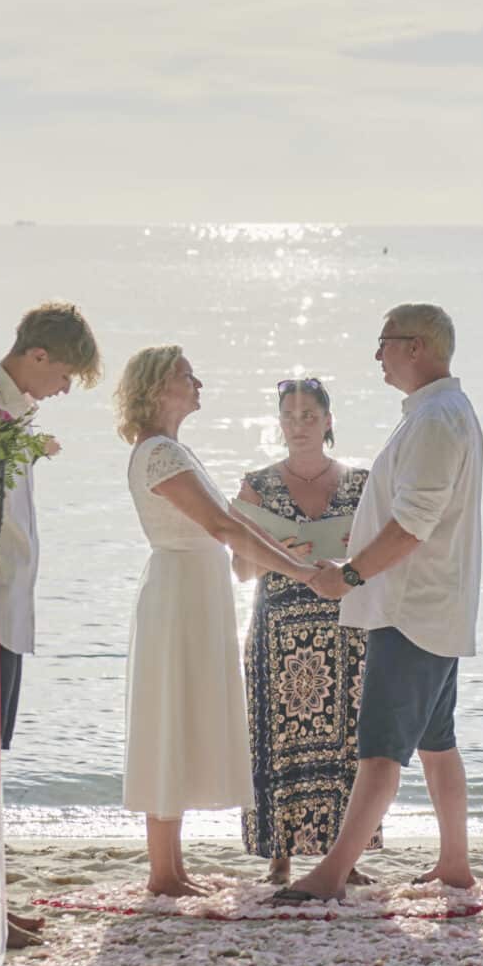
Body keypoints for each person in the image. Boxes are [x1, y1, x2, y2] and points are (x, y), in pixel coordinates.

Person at [280, 304, 483, 903]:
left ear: (416, 347)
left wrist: (350, 574)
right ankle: (455, 863)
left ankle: (331, 873)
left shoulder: (437, 419)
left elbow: (414, 524)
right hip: (429, 604)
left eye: (384, 343)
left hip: (412, 609)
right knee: (437, 744)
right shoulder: (439, 411)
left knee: (379, 750)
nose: (377, 355)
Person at [117, 345, 323, 897]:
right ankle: (163, 872)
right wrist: (302, 574)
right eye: (188, 375)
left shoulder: (174, 450)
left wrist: (290, 553)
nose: (198, 381)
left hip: (195, 594)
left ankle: (174, 868)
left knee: (182, 717)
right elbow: (223, 529)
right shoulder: (160, 453)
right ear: (159, 387)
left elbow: (237, 523)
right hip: (178, 597)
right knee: (169, 718)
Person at [0, 301, 102, 949]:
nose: (66, 388)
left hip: (6, 607)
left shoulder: (12, 411)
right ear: (37, 355)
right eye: (66, 373)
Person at [233, 377, 373, 884]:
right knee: (278, 740)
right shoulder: (258, 485)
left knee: (347, 742)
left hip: (344, 627)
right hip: (278, 629)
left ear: (328, 420)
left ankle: (344, 856)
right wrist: (276, 556)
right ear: (279, 423)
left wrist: (347, 560)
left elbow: (379, 559)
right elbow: (240, 571)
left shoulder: (360, 483)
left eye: (309, 416)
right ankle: (280, 856)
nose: (299, 426)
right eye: (290, 417)